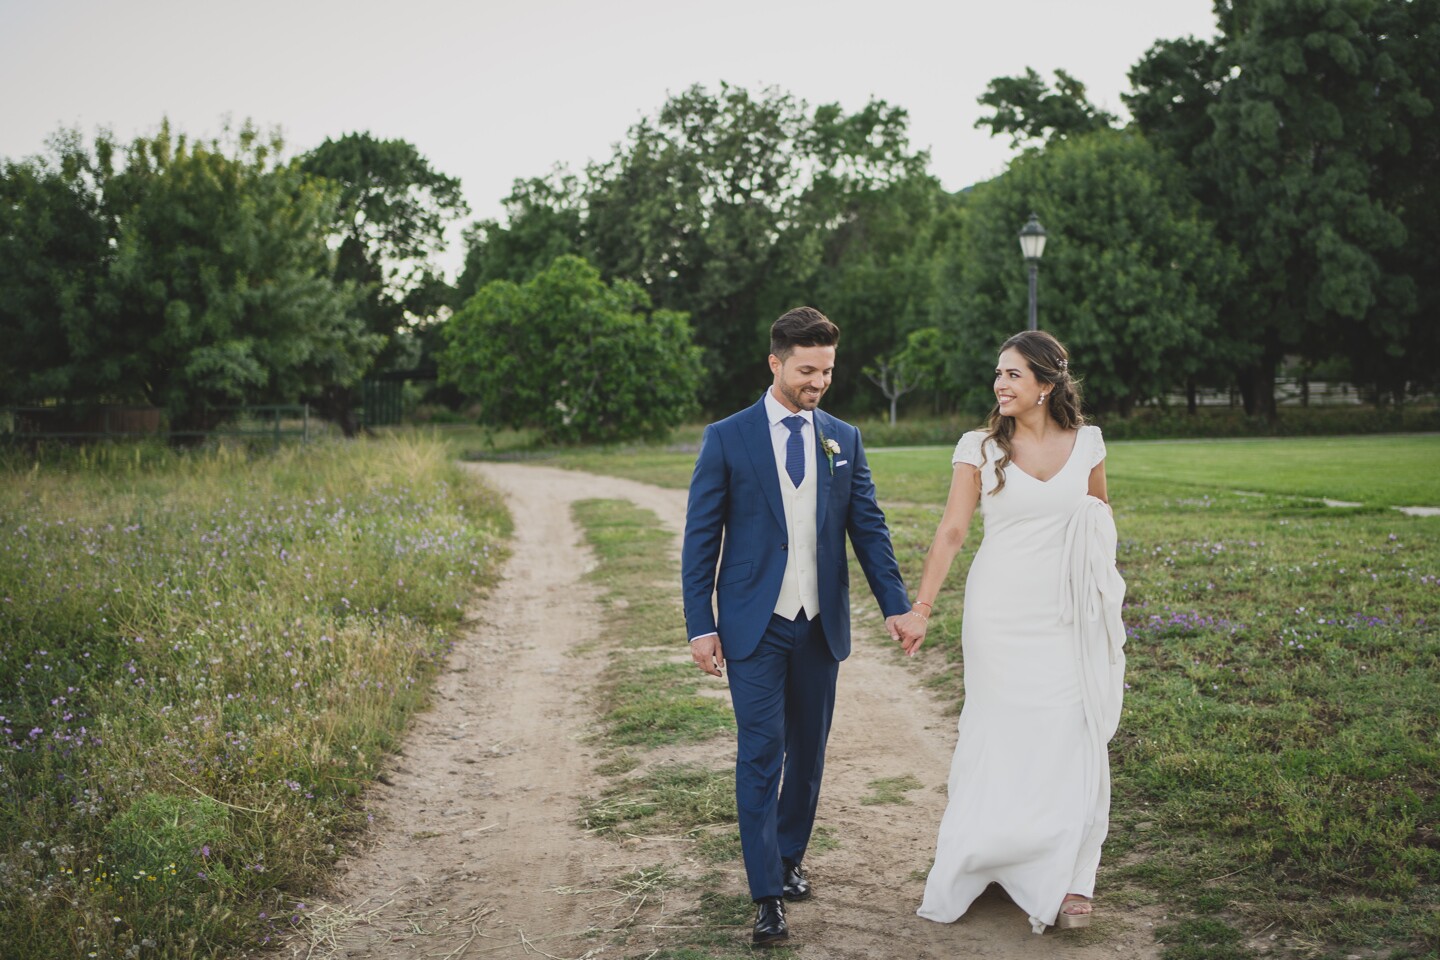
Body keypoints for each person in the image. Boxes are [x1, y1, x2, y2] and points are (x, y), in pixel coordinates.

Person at [681, 306, 919, 946]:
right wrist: (700, 625)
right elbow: (701, 540)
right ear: (775, 363)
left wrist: (896, 604)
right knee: (761, 753)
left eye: (828, 371)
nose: (818, 382)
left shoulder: (843, 436)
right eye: (807, 370)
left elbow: (868, 527)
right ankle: (765, 897)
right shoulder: (727, 437)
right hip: (753, 625)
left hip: (819, 625)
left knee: (808, 756)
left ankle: (788, 858)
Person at [901, 329, 1127, 935]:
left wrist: (1101, 598)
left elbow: (1100, 520)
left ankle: (1071, 876)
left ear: (1046, 385)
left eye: (1013, 375)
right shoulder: (978, 447)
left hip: (1066, 614)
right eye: (998, 375)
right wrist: (922, 607)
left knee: (1067, 735)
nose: (1000, 385)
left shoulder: (1090, 444)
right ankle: (990, 857)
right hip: (999, 612)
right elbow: (952, 531)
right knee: (999, 731)